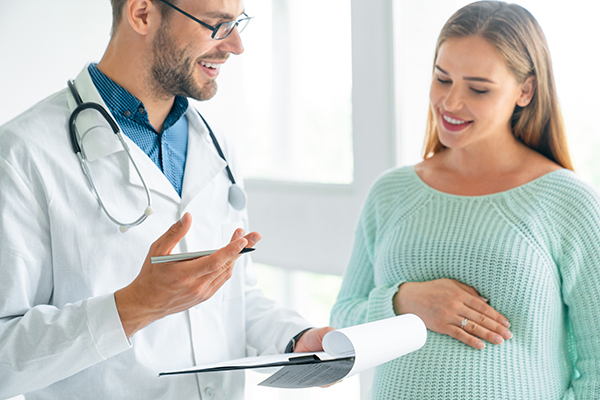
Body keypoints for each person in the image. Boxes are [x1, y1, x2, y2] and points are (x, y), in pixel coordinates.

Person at [0, 0, 332, 398]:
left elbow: (234, 297)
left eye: (237, 23)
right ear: (142, 14)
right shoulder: (22, 154)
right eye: (217, 25)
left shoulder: (215, 143)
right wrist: (132, 307)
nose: (237, 45)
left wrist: (296, 339)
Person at [330, 1, 600, 399]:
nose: (451, 103)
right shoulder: (391, 193)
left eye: (478, 88)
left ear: (525, 90)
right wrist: (403, 301)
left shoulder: (568, 202)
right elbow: (341, 322)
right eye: (442, 79)